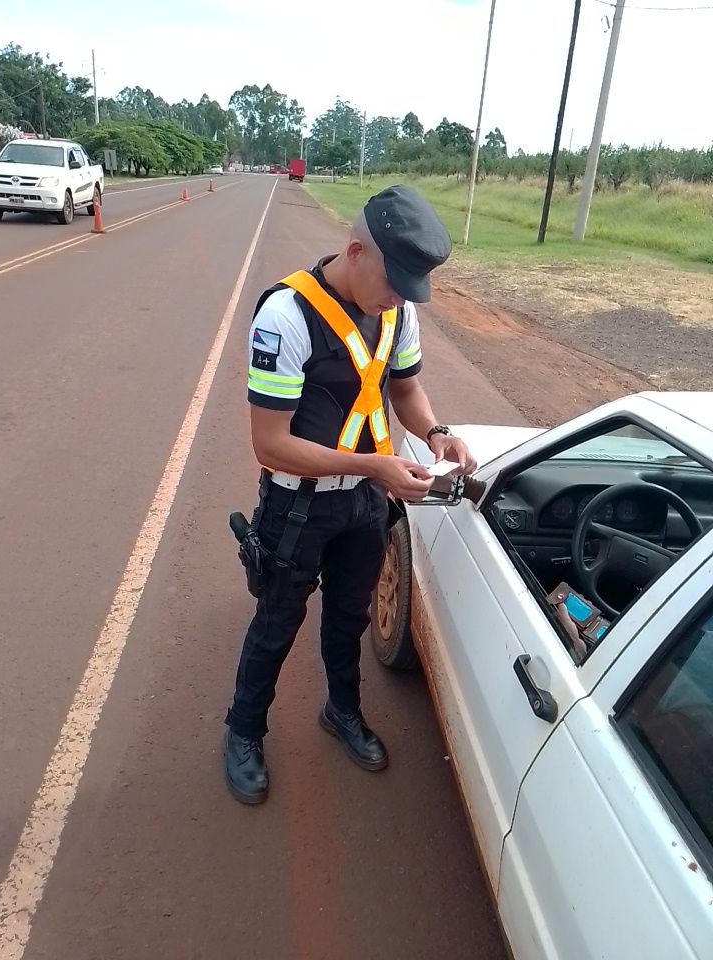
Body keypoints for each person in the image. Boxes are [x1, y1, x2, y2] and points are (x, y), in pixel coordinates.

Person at [225, 184, 475, 804]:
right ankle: (243, 731)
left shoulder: (398, 311)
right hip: (299, 503)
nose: (399, 300)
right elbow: (270, 444)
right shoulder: (285, 316)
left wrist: (437, 433)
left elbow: (406, 392)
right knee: (278, 620)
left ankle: (342, 710)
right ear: (356, 250)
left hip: (365, 502)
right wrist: (375, 464)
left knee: (348, 617)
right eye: (394, 283)